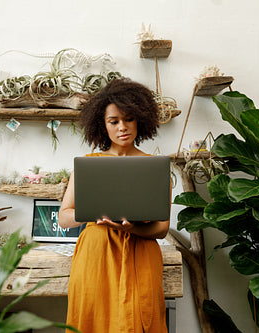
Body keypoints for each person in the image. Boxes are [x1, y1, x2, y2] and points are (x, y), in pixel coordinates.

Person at [59, 78, 170, 332]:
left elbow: (162, 228)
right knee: (92, 321)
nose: (123, 127)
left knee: (141, 321)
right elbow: (64, 217)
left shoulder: (154, 167)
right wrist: (93, 212)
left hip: (140, 255)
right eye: (114, 121)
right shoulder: (89, 164)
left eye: (129, 119)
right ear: (103, 124)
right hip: (96, 256)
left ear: (140, 119)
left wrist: (130, 229)